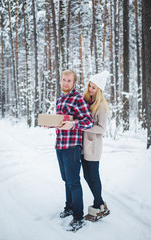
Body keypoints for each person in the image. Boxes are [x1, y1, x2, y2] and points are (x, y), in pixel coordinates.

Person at [55, 69, 94, 231]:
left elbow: (89, 121)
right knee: (66, 179)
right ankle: (69, 207)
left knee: (73, 182)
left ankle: (78, 217)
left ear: (74, 82)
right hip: (59, 144)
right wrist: (50, 123)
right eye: (64, 79)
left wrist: (74, 124)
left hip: (72, 146)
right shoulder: (60, 99)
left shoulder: (78, 99)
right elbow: (61, 121)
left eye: (69, 80)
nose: (65, 83)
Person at [81, 71, 110, 222]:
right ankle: (100, 204)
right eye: (89, 86)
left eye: (94, 87)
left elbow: (102, 128)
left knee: (93, 176)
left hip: (93, 147)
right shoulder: (86, 101)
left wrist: (83, 127)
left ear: (99, 90)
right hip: (82, 146)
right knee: (86, 176)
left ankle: (97, 205)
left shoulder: (102, 107)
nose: (90, 89)